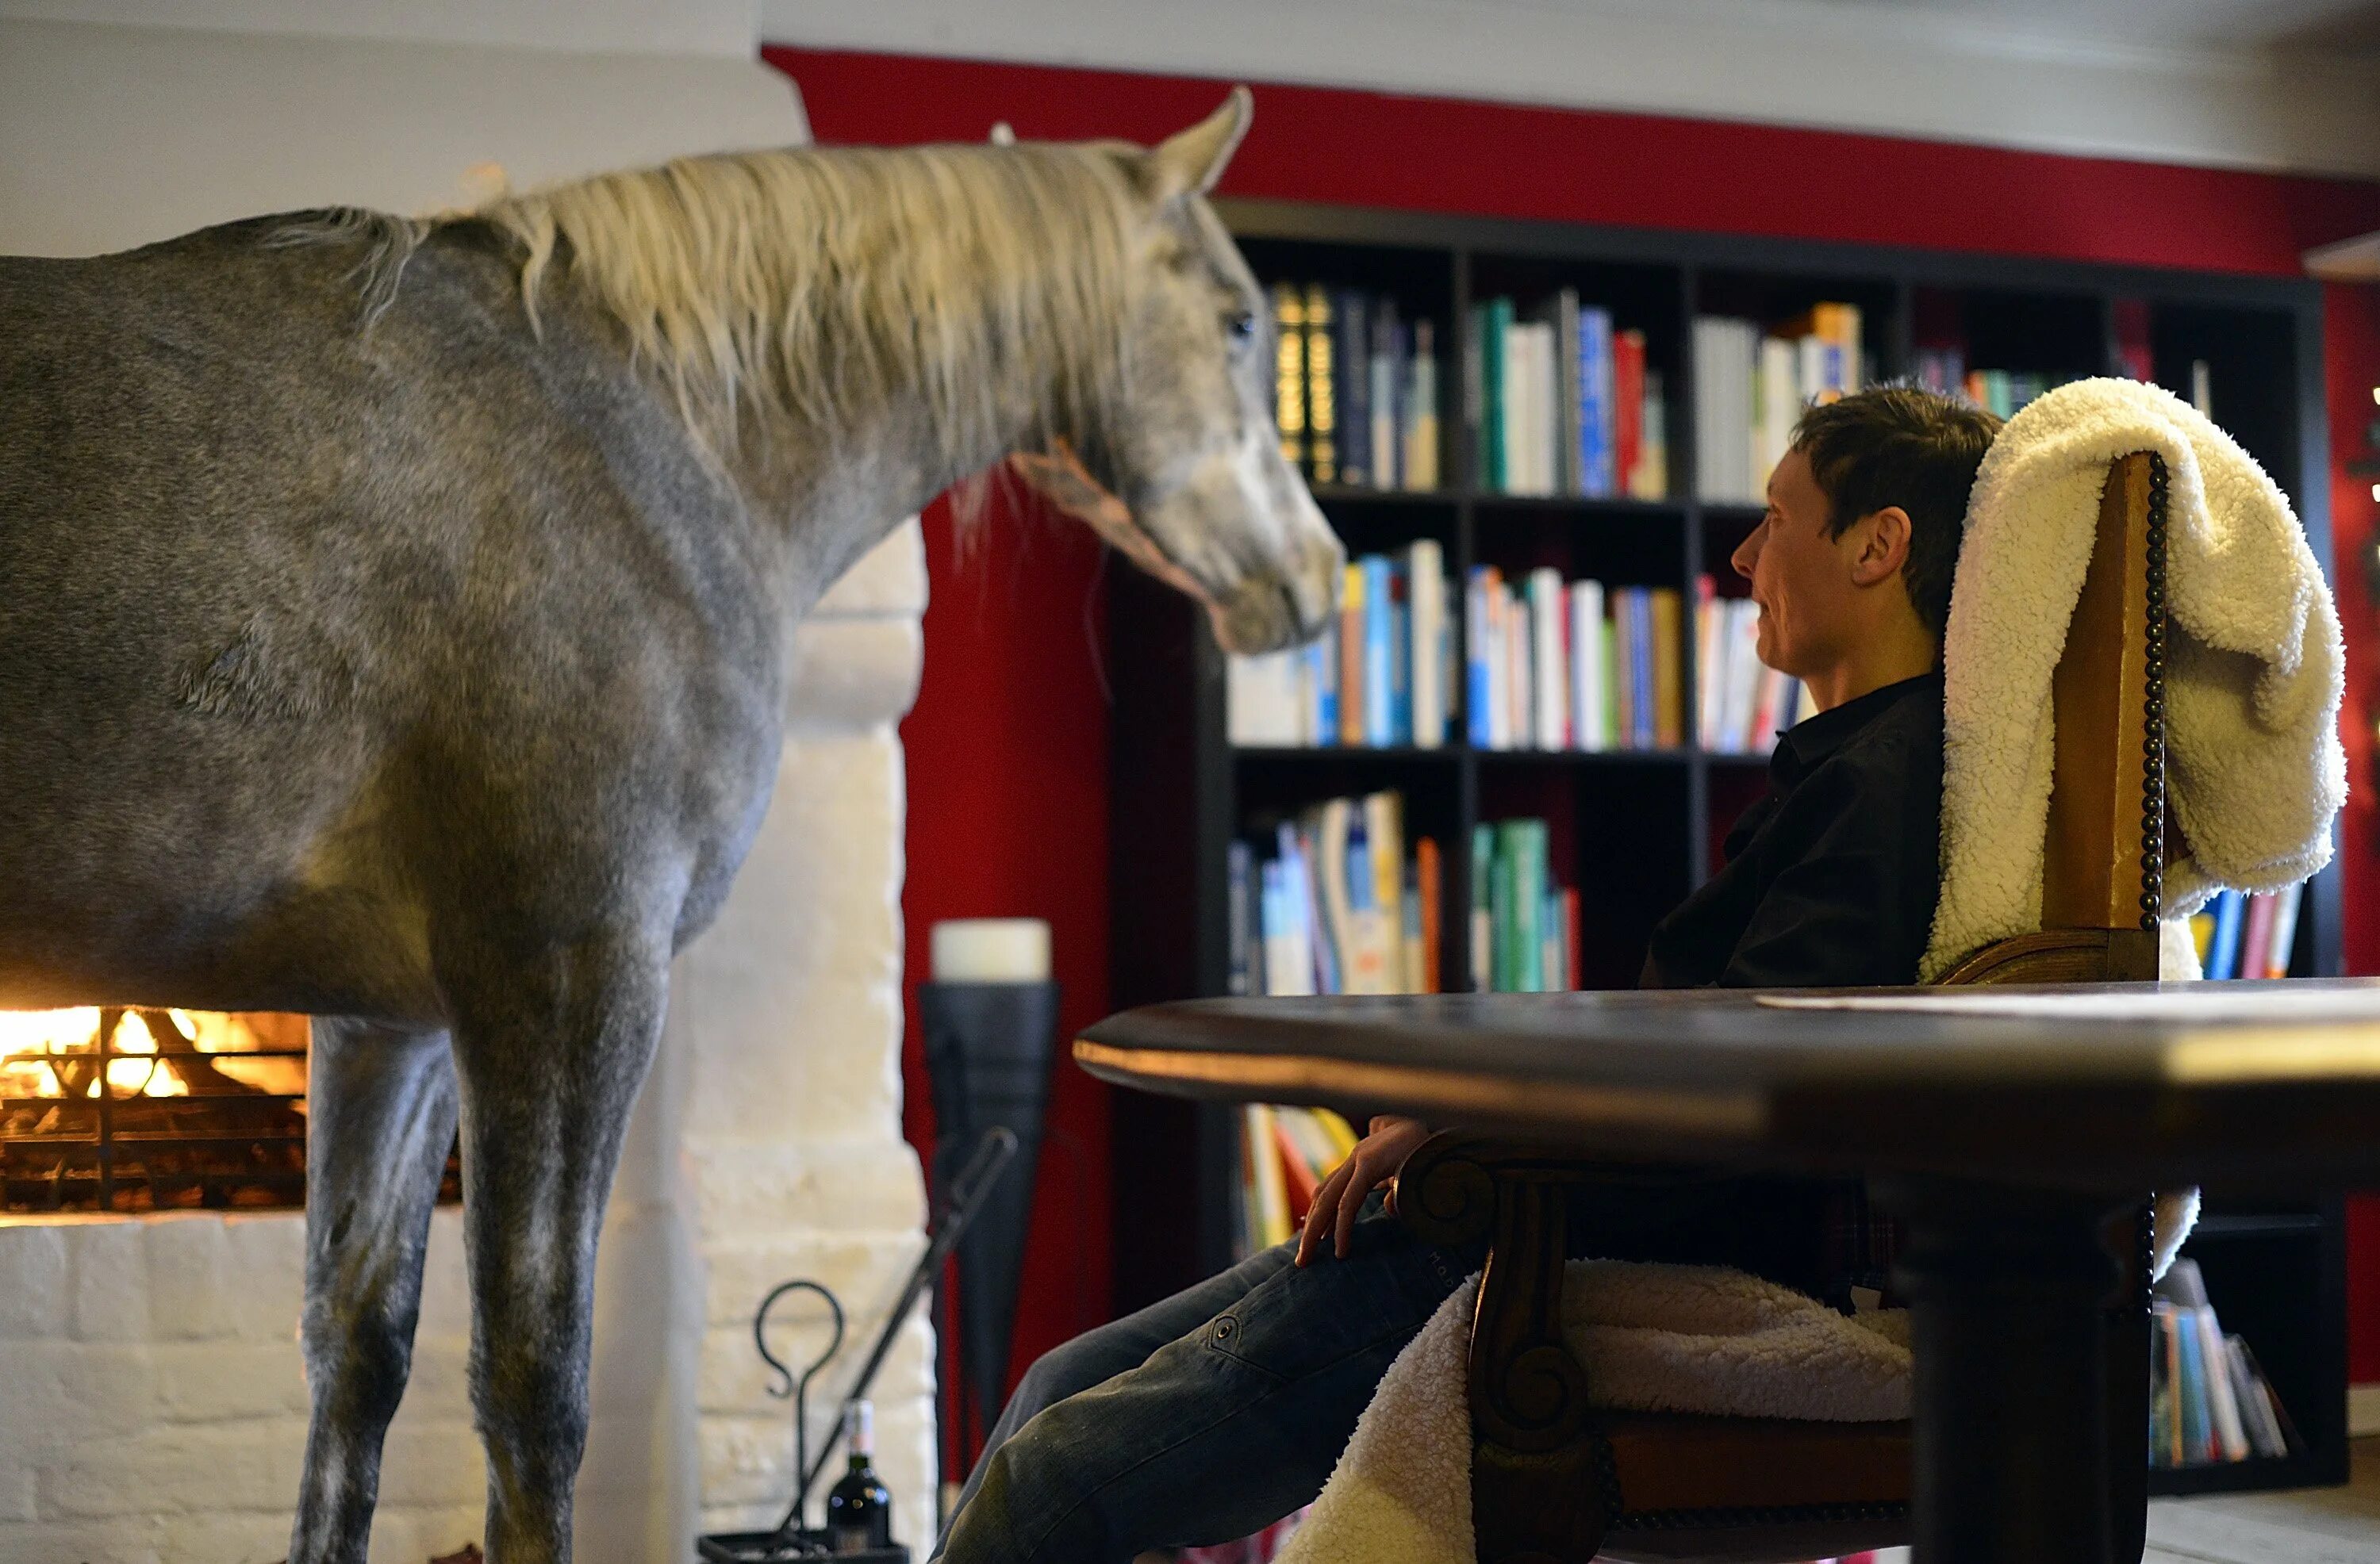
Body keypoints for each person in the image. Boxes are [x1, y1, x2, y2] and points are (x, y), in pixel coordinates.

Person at [931, 385, 2005, 1564]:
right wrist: (1462, 1112)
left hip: (1557, 1234)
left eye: (1774, 519)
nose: (1744, 556)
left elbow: (1750, 1098)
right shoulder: (1844, 770)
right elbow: (1707, 1034)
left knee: (1051, 1486)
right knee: (1055, 1382)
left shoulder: (1885, 787)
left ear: (1876, 544)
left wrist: (1476, 1138)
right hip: (1525, 1200)